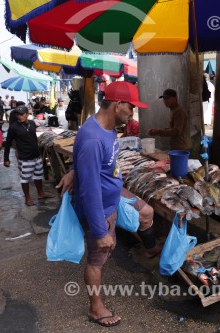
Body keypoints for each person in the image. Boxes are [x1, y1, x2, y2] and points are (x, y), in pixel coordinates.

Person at [58, 81, 161, 327]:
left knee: (147, 211)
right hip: (101, 207)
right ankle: (96, 308)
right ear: (117, 105)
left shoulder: (105, 127)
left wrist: (74, 171)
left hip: (114, 194)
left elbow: (89, 162)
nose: (132, 113)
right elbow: (91, 192)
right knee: (98, 259)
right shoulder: (94, 138)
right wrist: (100, 231)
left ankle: (148, 247)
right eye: (131, 108)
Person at [3, 106, 53, 206]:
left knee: (38, 176)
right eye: (18, 114)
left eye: (21, 114)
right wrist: (6, 159)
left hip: (36, 156)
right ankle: (27, 198)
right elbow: (7, 144)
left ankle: (41, 194)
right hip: (25, 158)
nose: (19, 116)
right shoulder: (13, 127)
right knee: (25, 178)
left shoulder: (32, 123)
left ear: (27, 114)